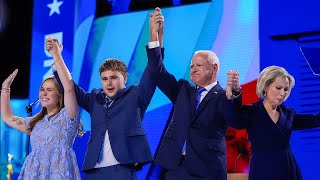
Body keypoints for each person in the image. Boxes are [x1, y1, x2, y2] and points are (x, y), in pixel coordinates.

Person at [51, 8, 164, 180]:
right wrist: (57, 58)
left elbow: (153, 69)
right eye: (104, 79)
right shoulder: (94, 98)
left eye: (113, 77)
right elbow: (69, 87)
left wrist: (154, 35)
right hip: (94, 171)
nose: (108, 82)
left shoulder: (136, 95)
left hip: (122, 170)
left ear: (124, 78)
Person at [148, 8, 241, 179]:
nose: (193, 69)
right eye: (191, 66)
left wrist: (234, 93)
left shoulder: (223, 97)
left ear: (214, 68)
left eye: (198, 65)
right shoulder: (183, 90)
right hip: (176, 169)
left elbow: (235, 118)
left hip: (207, 170)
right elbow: (157, 72)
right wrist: (156, 36)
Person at [225, 65, 320, 180]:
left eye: (286, 89)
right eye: (278, 88)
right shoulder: (252, 112)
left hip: (288, 170)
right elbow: (234, 120)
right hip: (262, 170)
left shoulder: (289, 114)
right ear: (265, 86)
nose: (282, 93)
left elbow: (316, 120)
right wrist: (236, 91)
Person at [1, 44, 81, 179]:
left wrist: (56, 55)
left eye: (49, 90)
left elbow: (68, 88)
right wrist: (5, 88)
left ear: (59, 95)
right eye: (42, 89)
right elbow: (7, 118)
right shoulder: (35, 122)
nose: (44, 93)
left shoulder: (68, 116)